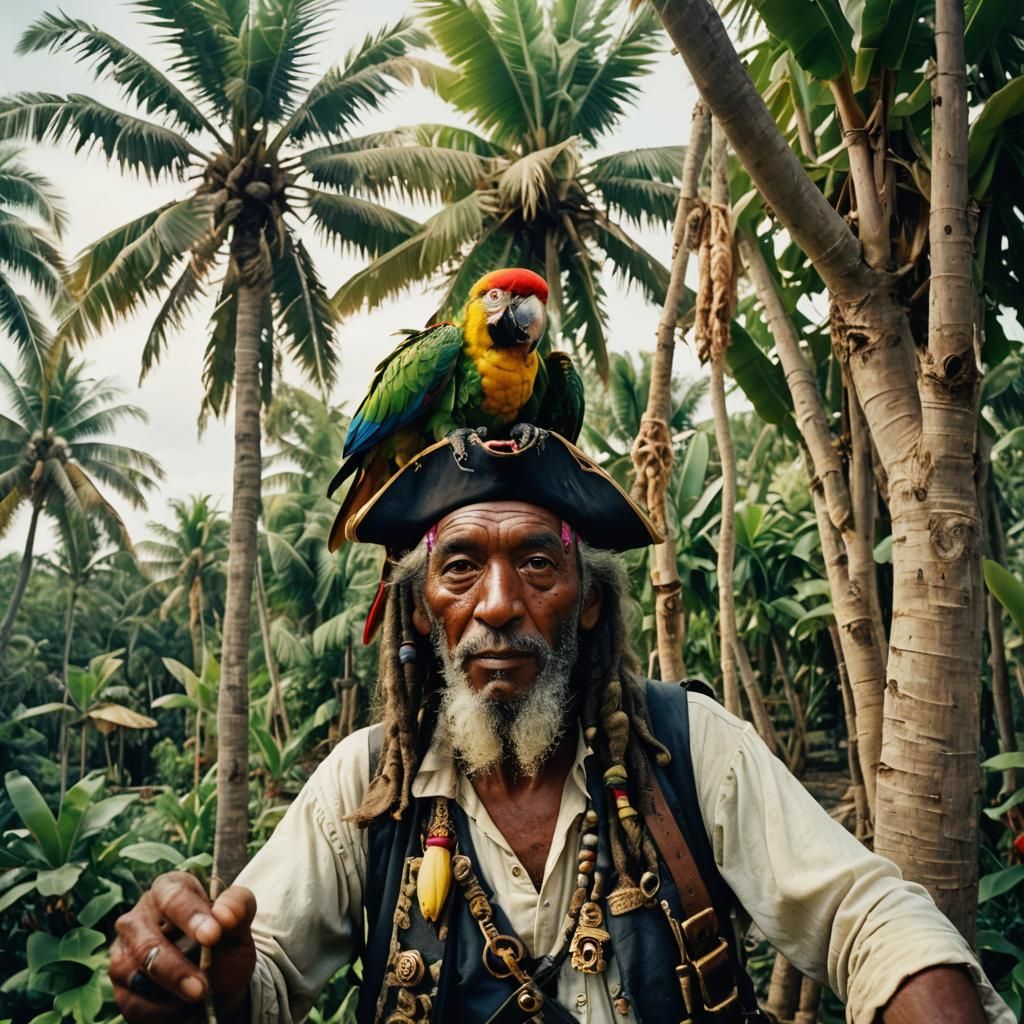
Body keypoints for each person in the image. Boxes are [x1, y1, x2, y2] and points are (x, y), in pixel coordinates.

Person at [110, 430, 1012, 1024]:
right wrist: (206, 973)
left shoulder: (687, 745)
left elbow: (861, 911)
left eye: (538, 564)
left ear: (587, 602)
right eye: (461, 568)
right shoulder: (369, 781)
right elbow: (260, 974)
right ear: (422, 611)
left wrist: (920, 982)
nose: (499, 604)